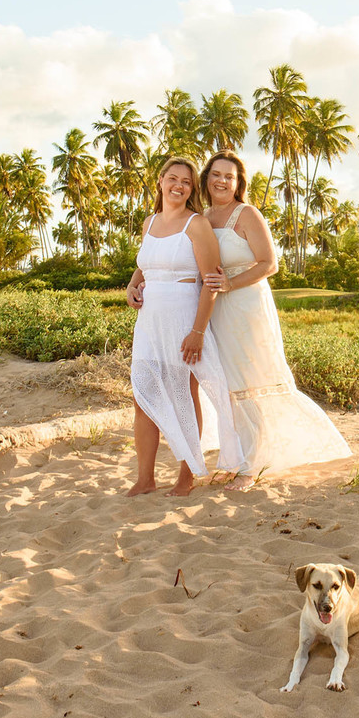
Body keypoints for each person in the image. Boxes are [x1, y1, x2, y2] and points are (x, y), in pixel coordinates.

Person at [200, 150, 351, 491]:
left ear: (238, 184)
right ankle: (234, 459)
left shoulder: (247, 213)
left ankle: (252, 466)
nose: (222, 181)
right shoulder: (203, 217)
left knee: (251, 379)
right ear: (206, 179)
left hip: (246, 304)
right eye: (216, 174)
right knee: (227, 386)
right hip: (216, 309)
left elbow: (269, 263)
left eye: (230, 176)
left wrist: (230, 283)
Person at [125, 157, 243, 497]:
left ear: (192, 189)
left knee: (184, 395)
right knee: (143, 397)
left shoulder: (196, 224)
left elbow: (211, 281)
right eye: (173, 178)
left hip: (184, 319)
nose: (178, 186)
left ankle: (187, 475)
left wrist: (198, 331)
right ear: (160, 180)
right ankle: (145, 478)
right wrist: (131, 287)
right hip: (148, 324)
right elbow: (145, 267)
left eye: (186, 182)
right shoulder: (149, 223)